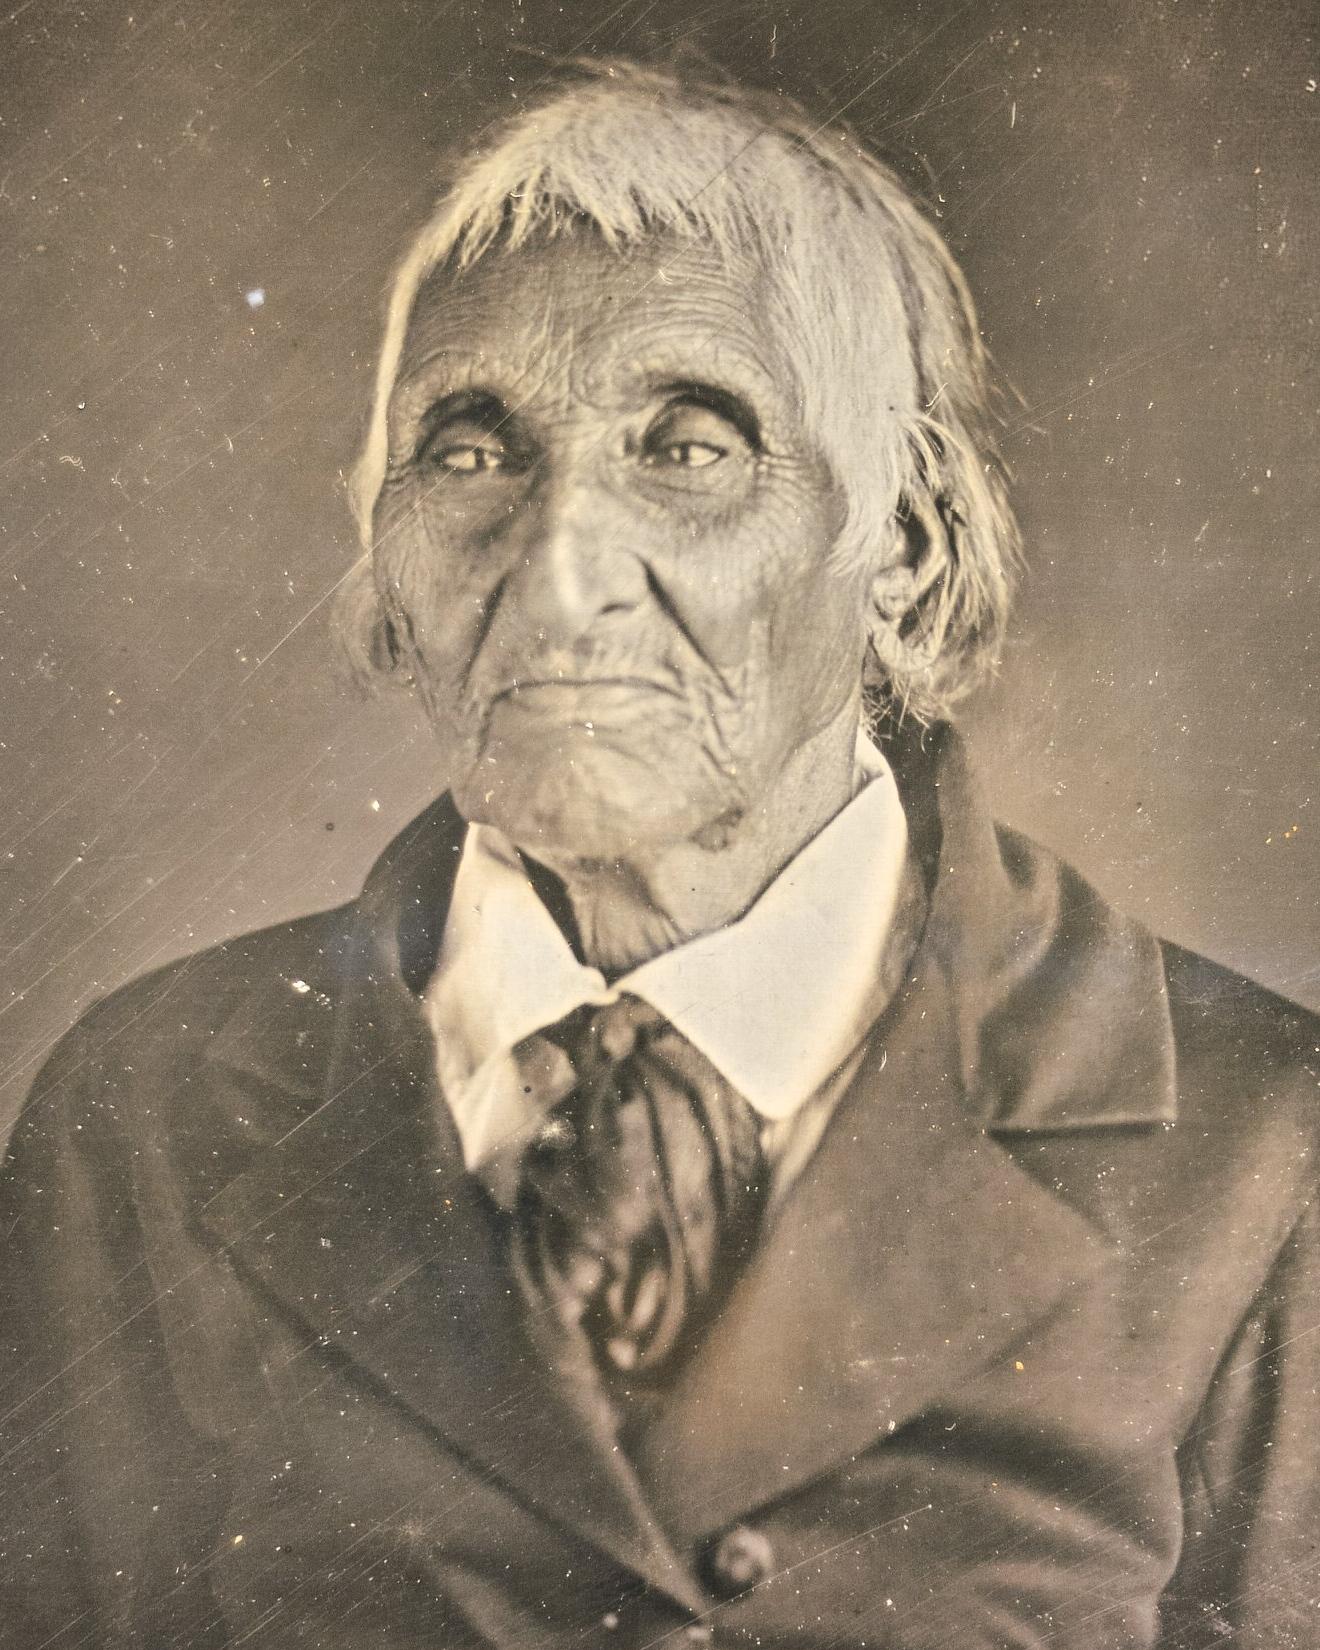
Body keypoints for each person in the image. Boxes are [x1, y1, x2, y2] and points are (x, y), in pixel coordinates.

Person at [2, 60, 1317, 1650]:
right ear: (387, 561)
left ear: (902, 544)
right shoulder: (140, 1116)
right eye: (470, 451)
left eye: (688, 446)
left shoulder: (1261, 1155)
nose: (558, 580)